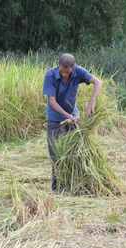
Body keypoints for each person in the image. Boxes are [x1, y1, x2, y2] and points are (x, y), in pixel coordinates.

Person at [43, 53, 102, 192]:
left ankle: (74, 186)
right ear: (59, 67)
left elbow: (98, 82)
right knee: (57, 155)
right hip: (55, 120)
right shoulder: (50, 76)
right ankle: (57, 189)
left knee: (74, 153)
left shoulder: (78, 72)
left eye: (68, 72)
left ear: (73, 68)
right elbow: (52, 101)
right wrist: (67, 115)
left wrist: (91, 102)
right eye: (62, 72)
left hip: (73, 118)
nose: (65, 75)